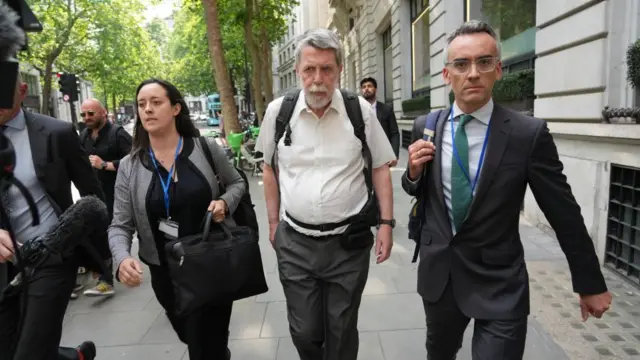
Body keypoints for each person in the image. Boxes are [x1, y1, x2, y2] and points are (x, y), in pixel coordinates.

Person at [401, 20, 612, 360]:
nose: (473, 73)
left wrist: (589, 282)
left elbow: (564, 211)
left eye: (483, 62)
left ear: (497, 70)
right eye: (461, 64)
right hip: (440, 276)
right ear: (446, 74)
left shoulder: (527, 135)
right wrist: (412, 173)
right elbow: (419, 190)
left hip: (499, 282)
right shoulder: (426, 126)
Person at [256, 28, 396, 360]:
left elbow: (380, 166)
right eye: (310, 69)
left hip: (348, 243)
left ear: (339, 71)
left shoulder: (358, 110)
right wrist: (273, 224)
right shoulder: (279, 112)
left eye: (327, 69)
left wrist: (387, 224)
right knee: (305, 332)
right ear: (299, 70)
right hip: (295, 243)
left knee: (342, 328)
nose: (318, 79)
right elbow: (269, 169)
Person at [108, 79, 246, 360]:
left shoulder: (205, 148)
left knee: (203, 344)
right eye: (142, 104)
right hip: (165, 270)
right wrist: (121, 258)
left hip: (211, 260)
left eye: (156, 102)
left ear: (175, 109)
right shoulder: (129, 167)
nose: (147, 110)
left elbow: (237, 183)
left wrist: (224, 202)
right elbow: (120, 224)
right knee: (190, 333)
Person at [0, 73, 104, 360]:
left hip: (51, 256)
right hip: (4, 263)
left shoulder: (57, 132)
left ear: (22, 90)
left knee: (31, 351)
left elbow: (92, 194)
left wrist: (109, 255)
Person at [78, 99, 132, 297]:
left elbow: (135, 159)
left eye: (91, 113)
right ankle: (101, 275)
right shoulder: (83, 136)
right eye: (83, 115)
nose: (87, 118)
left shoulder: (118, 134)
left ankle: (108, 277)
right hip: (91, 195)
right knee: (93, 235)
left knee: (108, 235)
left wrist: (105, 165)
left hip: (116, 195)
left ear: (103, 112)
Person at [360, 77, 400, 166]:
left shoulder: (386, 109)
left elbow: (394, 133)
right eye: (363, 87)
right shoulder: (357, 110)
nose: (366, 89)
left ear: (375, 89)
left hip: (384, 157)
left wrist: (394, 155)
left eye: (369, 86)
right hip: (363, 157)